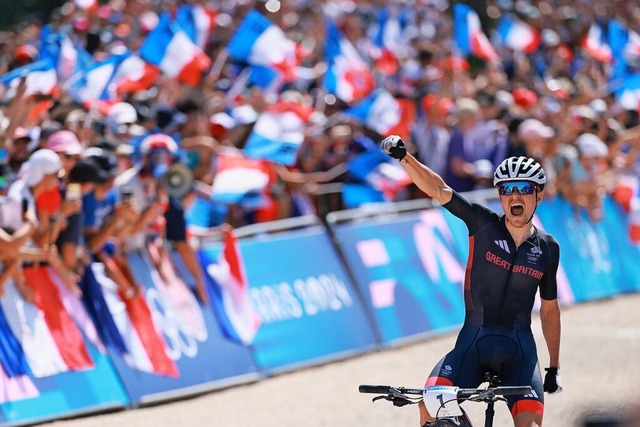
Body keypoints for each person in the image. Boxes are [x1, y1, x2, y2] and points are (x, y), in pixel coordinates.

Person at [380, 135, 562, 427]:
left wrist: (554, 367)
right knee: (430, 406)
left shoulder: (548, 248)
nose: (515, 196)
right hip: (473, 344)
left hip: (520, 352)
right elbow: (438, 189)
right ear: (500, 196)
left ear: (538, 195)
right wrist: (405, 158)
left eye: (524, 189)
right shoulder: (482, 224)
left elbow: (550, 310)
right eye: (508, 190)